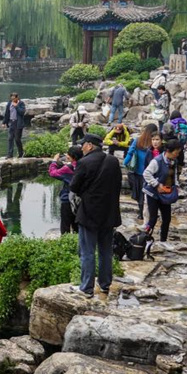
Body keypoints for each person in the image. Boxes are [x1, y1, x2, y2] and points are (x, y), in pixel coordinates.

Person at [69, 134, 122, 298]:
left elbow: (74, 186)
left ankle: (86, 288)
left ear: (90, 145)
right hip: (109, 213)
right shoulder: (113, 161)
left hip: (89, 213)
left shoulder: (84, 162)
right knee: (106, 251)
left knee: (88, 252)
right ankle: (105, 285)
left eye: (83, 145)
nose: (81, 148)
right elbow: (118, 185)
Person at [143, 139, 183, 242]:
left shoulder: (174, 161)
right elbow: (146, 173)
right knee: (153, 218)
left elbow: (174, 175)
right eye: (176, 152)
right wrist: (156, 185)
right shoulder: (157, 161)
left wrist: (176, 186)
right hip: (153, 193)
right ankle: (145, 240)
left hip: (165, 193)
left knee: (167, 218)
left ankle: (163, 240)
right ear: (169, 151)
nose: (177, 155)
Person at [124, 124, 157, 220]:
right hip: (149, 172)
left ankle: (141, 213)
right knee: (147, 193)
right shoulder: (153, 143)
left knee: (139, 193)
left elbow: (130, 152)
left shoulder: (138, 140)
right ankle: (148, 213)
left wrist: (125, 163)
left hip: (136, 172)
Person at [48, 146, 82, 235]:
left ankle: (65, 240)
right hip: (80, 200)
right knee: (77, 225)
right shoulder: (83, 165)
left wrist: (54, 161)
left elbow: (53, 173)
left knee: (65, 224)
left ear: (73, 156)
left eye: (68, 154)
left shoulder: (68, 168)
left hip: (67, 199)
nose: (66, 155)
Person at [1, 91, 26, 158]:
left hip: (18, 123)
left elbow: (22, 112)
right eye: (11, 98)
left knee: (17, 139)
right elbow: (7, 114)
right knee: (10, 138)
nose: (12, 100)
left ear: (17, 98)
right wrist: (4, 122)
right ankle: (10, 154)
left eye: (14, 98)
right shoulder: (9, 103)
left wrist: (16, 106)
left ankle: (21, 153)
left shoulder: (21, 103)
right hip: (11, 123)